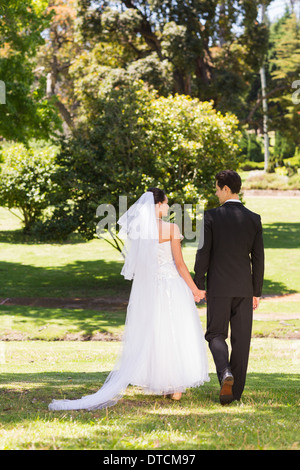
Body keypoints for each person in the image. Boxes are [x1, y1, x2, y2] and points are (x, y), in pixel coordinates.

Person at [49, 188, 209, 411]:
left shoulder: (139, 231)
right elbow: (180, 265)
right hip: (170, 285)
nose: (167, 208)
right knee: (173, 330)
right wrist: (195, 290)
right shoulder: (171, 228)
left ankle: (164, 384)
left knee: (155, 332)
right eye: (165, 204)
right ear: (158, 205)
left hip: (149, 288)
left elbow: (139, 266)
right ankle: (176, 386)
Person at [194, 170, 264, 405]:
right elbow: (259, 259)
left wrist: (199, 283)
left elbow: (203, 253)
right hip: (244, 289)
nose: (215, 192)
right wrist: (256, 291)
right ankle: (235, 394)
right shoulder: (254, 218)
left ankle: (225, 372)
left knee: (215, 334)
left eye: (216, 188)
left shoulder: (211, 217)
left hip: (219, 288)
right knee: (242, 340)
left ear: (225, 189)